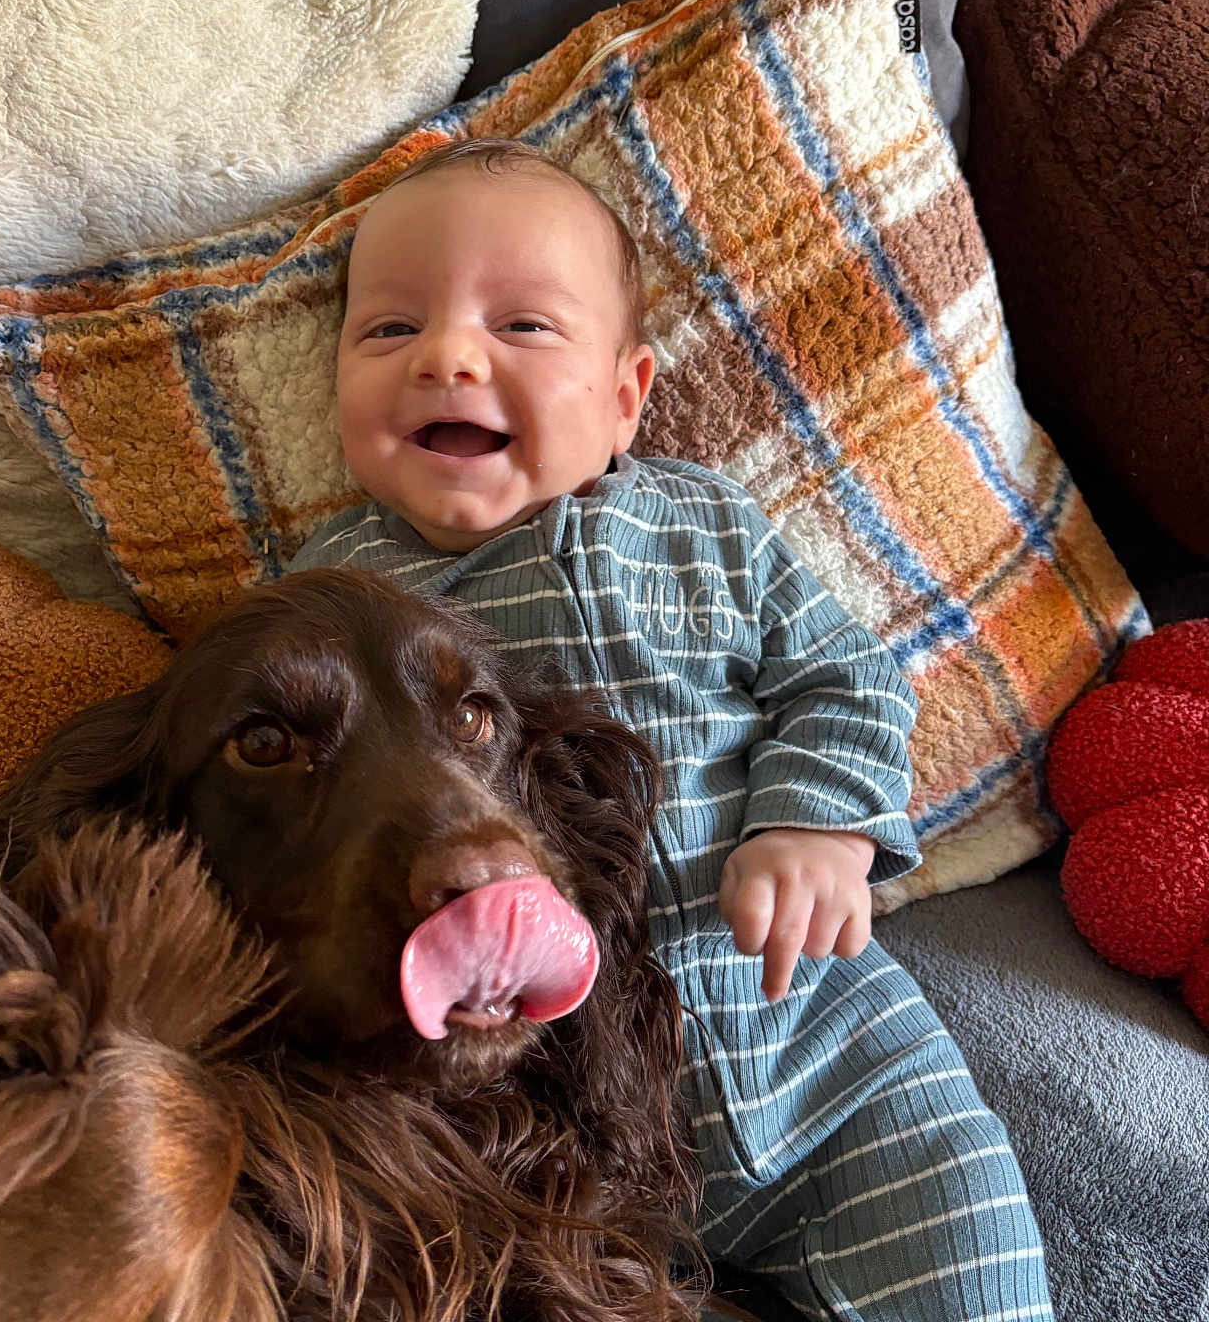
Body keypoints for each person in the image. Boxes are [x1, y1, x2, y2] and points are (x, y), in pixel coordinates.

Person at [288, 137, 1054, 1321]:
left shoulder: (704, 525)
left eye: (522, 327)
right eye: (389, 330)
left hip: (824, 1047)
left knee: (972, 1257)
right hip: (550, 1118)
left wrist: (817, 827)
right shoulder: (342, 597)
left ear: (624, 398)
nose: (447, 357)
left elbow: (845, 679)